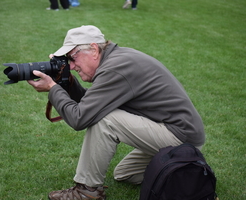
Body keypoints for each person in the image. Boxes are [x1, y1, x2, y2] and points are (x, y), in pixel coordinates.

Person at [27, 25, 205, 200]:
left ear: (94, 50)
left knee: (106, 120)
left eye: (72, 58)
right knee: (125, 174)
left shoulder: (115, 68)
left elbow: (79, 118)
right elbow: (95, 103)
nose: (71, 66)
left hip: (181, 136)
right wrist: (69, 84)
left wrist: (53, 88)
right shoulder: (116, 59)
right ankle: (184, 171)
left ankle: (87, 192)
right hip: (175, 132)